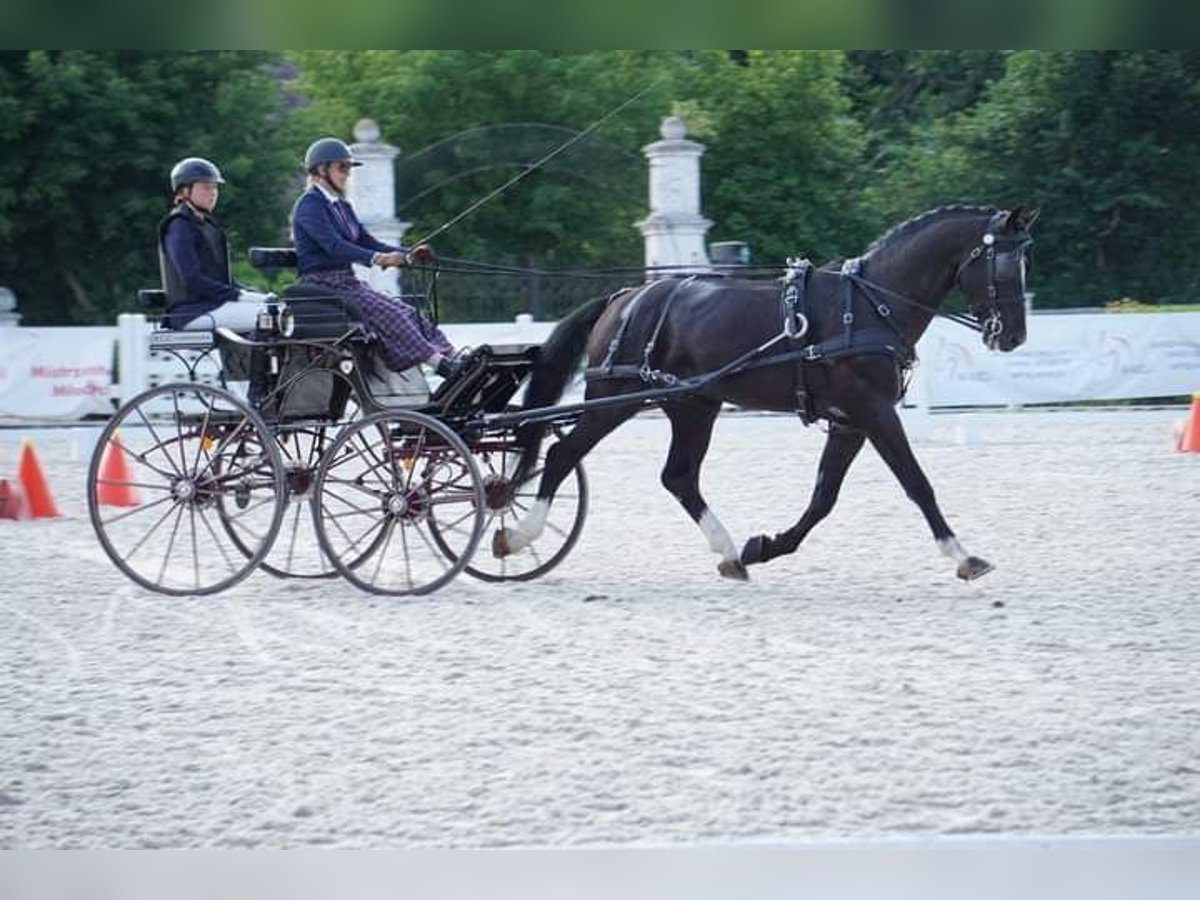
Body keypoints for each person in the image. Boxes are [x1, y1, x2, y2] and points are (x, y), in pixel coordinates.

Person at [290, 137, 460, 377]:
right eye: (342, 168)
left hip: (346, 283)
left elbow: (366, 241)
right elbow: (334, 246)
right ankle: (440, 366)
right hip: (321, 284)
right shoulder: (309, 205)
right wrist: (379, 259)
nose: (347, 174)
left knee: (408, 312)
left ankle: (453, 356)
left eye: (348, 168)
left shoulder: (342, 206)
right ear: (321, 170)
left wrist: (407, 255)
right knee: (390, 315)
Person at [158, 157, 274, 330]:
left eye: (215, 187)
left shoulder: (207, 225)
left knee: (276, 309)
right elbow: (192, 279)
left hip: (213, 306)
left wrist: (255, 294)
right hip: (191, 312)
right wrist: (239, 296)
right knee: (271, 317)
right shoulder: (179, 225)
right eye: (206, 187)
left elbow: (223, 279)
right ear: (184, 190)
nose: (213, 193)